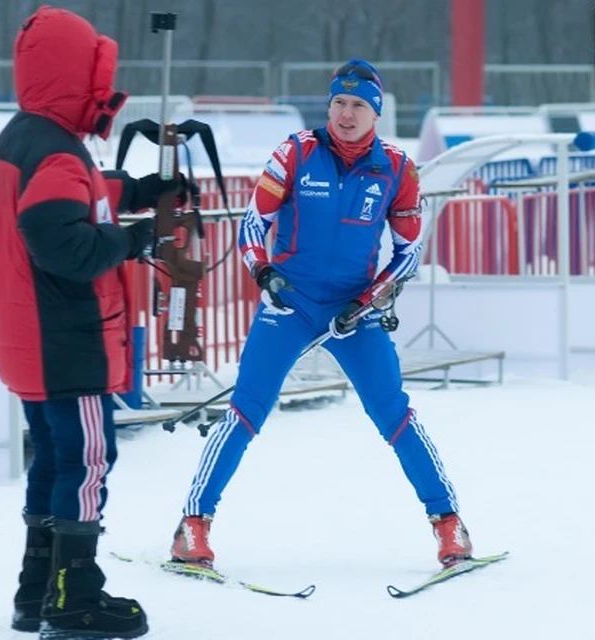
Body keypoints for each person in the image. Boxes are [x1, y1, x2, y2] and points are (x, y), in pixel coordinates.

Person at [169, 59, 474, 571]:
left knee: (393, 414)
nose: (346, 114)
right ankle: (192, 527)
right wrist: (264, 275)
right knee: (246, 411)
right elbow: (252, 225)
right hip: (290, 302)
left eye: (358, 105)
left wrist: (368, 300)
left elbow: (407, 253)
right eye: (339, 103)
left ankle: (449, 524)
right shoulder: (295, 152)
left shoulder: (397, 168)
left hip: (355, 307)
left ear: (376, 113)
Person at [0, 6, 182, 639]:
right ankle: (76, 598)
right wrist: (134, 241)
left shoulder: (28, 136)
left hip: (33, 341)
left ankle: (37, 589)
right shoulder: (57, 154)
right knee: (89, 461)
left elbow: (78, 191)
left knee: (54, 457)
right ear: (76, 78)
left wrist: (134, 189)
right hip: (68, 342)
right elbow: (63, 243)